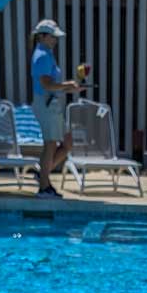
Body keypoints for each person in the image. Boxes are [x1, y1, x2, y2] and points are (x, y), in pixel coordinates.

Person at [30, 19, 86, 198]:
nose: (55, 40)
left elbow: (53, 85)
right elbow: (46, 84)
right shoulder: (42, 56)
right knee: (51, 143)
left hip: (52, 104)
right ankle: (44, 187)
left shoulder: (47, 54)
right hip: (46, 104)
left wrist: (70, 88)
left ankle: (43, 174)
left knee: (67, 143)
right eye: (52, 36)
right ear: (42, 36)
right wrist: (67, 85)